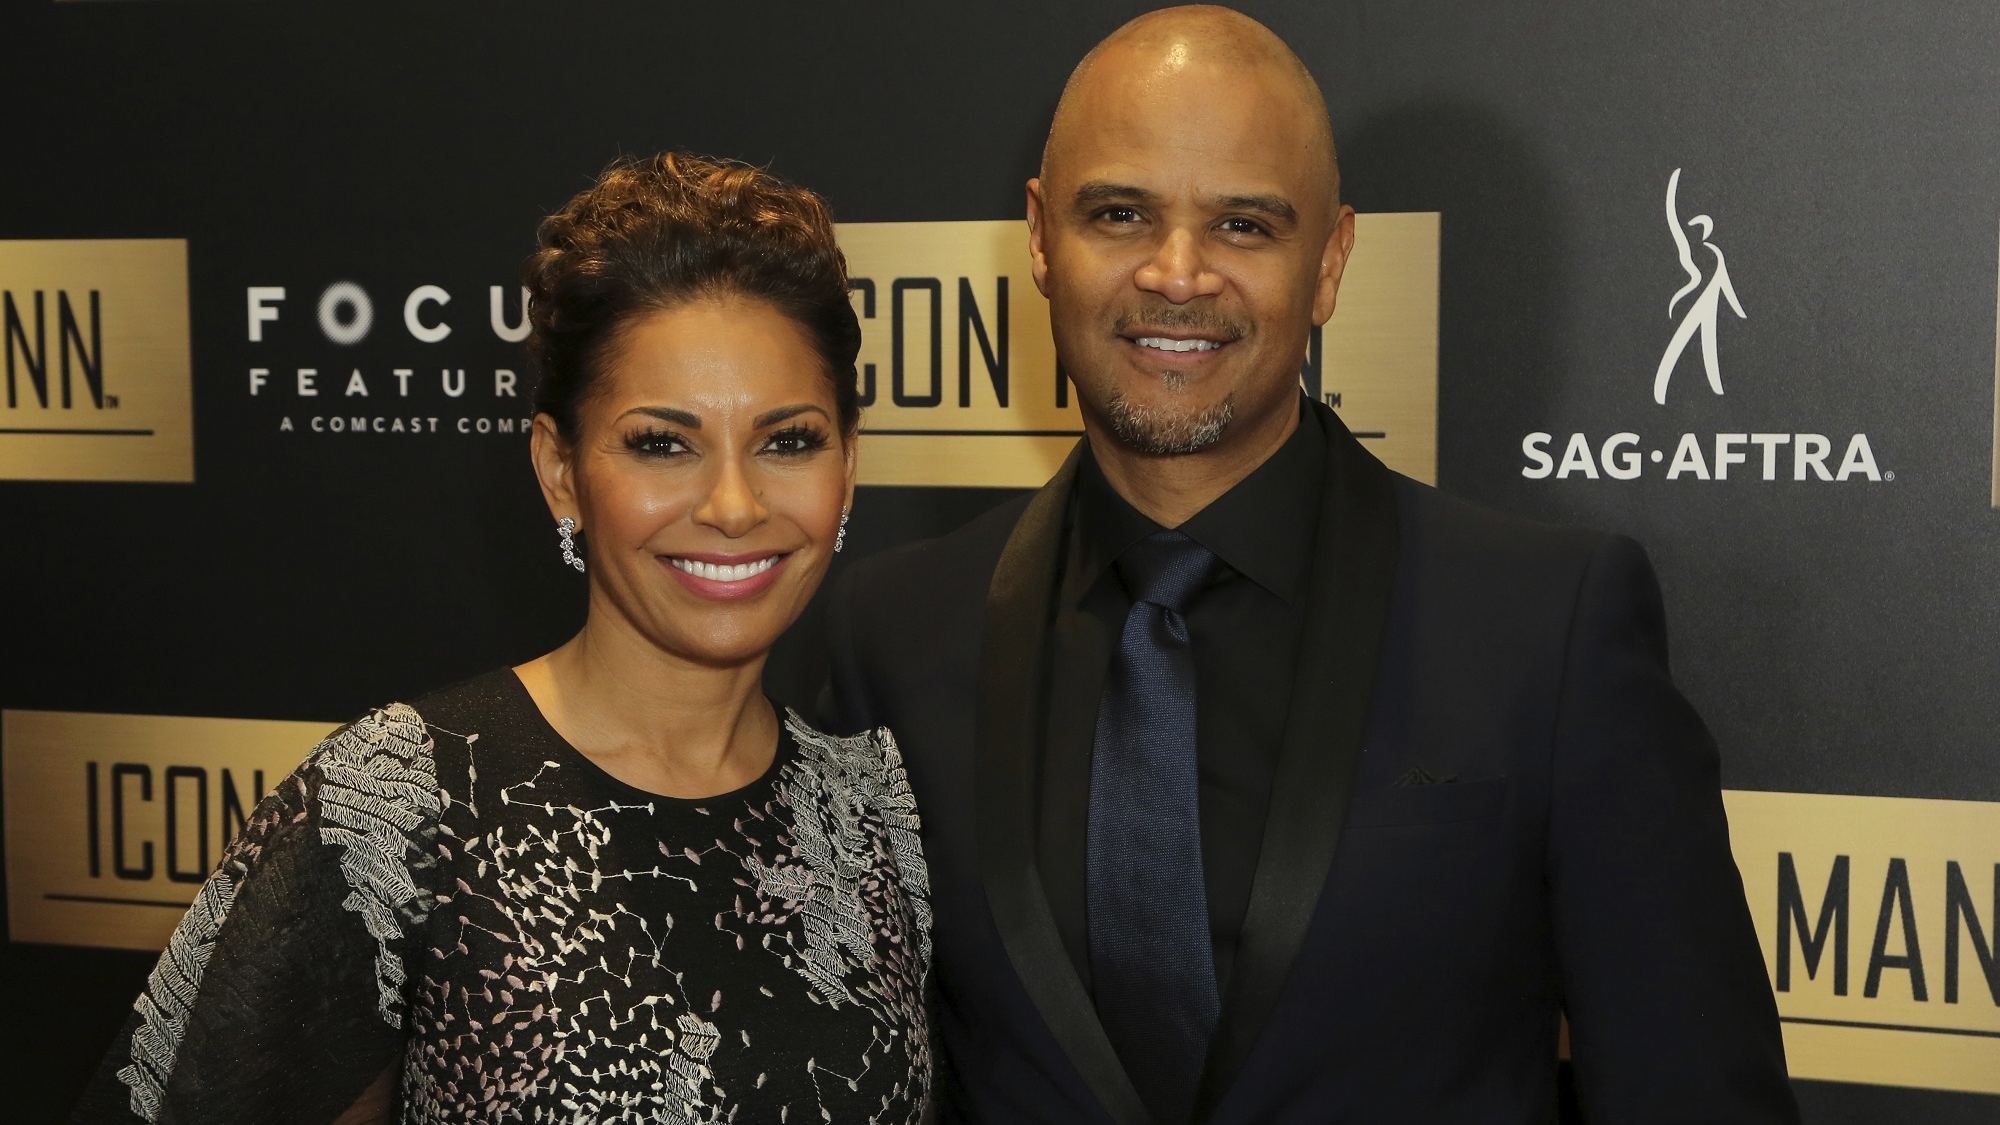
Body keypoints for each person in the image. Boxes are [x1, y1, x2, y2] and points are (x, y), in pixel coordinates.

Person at [820, 7, 1797, 1124]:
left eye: (1242, 225)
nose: (1176, 275)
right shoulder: (891, 633)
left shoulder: (1546, 628)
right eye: (1121, 212)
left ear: (1329, 260)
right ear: (1040, 238)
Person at [74, 153, 932, 1125]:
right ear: (559, 470)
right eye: (662, 442)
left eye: (788, 440)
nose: (733, 505)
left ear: (848, 465)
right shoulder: (400, 804)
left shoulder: (871, 812)